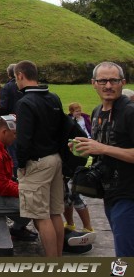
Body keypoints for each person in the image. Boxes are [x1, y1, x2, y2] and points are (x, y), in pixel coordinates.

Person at [71, 61, 134, 257]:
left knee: (125, 254)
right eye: (103, 81)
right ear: (93, 83)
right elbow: (104, 151)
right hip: (109, 193)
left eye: (113, 80)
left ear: (122, 82)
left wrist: (102, 147)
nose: (108, 86)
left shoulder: (130, 112)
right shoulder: (98, 111)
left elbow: (107, 148)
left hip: (129, 194)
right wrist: (86, 148)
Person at [14, 60, 67, 257]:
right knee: (55, 213)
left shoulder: (25, 103)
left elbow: (24, 140)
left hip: (36, 162)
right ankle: (58, 259)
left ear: (20, 75)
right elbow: (63, 128)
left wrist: (21, 164)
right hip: (55, 158)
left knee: (39, 216)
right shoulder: (53, 98)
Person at [62, 102, 95, 237]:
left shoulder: (70, 125)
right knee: (65, 197)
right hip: (63, 165)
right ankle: (70, 224)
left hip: (73, 164)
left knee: (76, 195)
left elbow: (80, 150)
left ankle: (88, 227)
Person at [0, 63, 23, 176]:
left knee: (12, 151)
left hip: (11, 122)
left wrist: (0, 120)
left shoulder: (7, 87)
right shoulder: (25, 86)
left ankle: (15, 176)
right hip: (25, 121)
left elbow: (3, 106)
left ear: (9, 74)